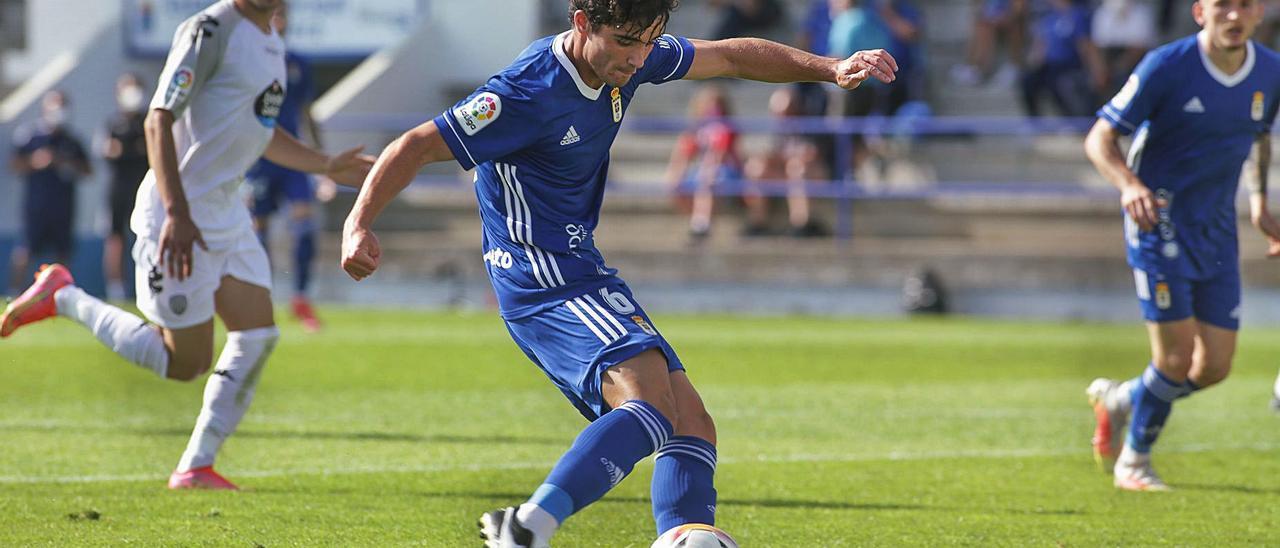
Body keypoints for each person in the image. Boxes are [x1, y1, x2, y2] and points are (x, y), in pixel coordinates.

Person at [338, 0, 896, 544]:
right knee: (650, 405)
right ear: (582, 23)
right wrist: (357, 224)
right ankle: (527, 525)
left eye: (649, 41)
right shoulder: (526, 91)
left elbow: (729, 56)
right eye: (627, 42)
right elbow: (414, 145)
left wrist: (830, 68)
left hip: (582, 268)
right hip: (541, 276)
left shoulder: (631, 54)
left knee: (692, 423)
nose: (638, 58)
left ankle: (682, 533)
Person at [0, 0, 372, 490]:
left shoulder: (270, 38)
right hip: (178, 215)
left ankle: (195, 467)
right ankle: (63, 296)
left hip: (225, 211)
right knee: (184, 364)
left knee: (258, 334)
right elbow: (158, 119)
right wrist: (176, 211)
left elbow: (258, 129)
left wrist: (323, 164)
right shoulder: (209, 30)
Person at [1083, 0, 1280, 491]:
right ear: (1199, 12)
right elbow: (1099, 139)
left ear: (1261, 13)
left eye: (1245, 6)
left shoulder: (1271, 71)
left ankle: (1122, 400)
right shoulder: (1167, 66)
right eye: (1222, 6)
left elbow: (1259, 134)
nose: (1233, 16)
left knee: (1213, 367)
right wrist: (1129, 185)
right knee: (1174, 359)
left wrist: (1258, 202)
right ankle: (1134, 462)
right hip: (1158, 224)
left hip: (1215, 227)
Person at [245, 2, 329, 331]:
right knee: (258, 228)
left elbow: (308, 111)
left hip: (293, 158)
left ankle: (300, 297)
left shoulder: (298, 64)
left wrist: (324, 163)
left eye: (284, 14)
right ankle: (261, 296)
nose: (280, 20)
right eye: (275, 13)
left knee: (303, 220)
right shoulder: (250, 61)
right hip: (260, 158)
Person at [8, 90, 91, 294]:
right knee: (26, 250)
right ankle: (14, 291)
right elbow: (14, 164)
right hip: (37, 205)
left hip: (63, 204)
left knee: (63, 252)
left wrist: (65, 162)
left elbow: (88, 170)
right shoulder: (30, 136)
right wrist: (36, 161)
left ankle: (61, 295)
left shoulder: (72, 140)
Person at [663, 85, 743, 240]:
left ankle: (702, 224)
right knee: (678, 184)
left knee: (706, 180)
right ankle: (697, 220)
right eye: (708, 106)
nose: (712, 110)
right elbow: (683, 155)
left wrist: (707, 172)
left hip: (726, 170)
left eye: (716, 105)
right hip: (703, 171)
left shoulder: (726, 129)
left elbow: (718, 157)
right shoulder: (695, 131)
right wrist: (675, 175)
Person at [101, 73, 151, 302]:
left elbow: (150, 150)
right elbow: (108, 151)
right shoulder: (114, 122)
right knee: (115, 238)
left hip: (146, 187)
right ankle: (116, 289)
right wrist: (133, 150)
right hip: (118, 189)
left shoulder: (150, 119)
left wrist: (127, 150)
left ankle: (151, 284)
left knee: (149, 236)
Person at [1021, 0, 1106, 117]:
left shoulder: (1078, 15)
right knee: (1028, 80)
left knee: (1062, 83)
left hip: (1070, 65)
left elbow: (1085, 45)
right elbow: (1040, 45)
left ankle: (1072, 120)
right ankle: (1034, 121)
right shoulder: (1048, 17)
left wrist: (1096, 69)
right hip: (1048, 67)